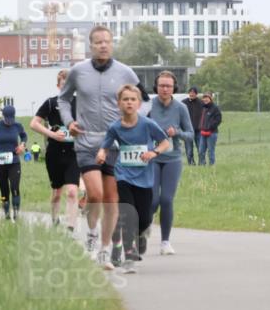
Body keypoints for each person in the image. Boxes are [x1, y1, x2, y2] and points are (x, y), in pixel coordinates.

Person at [58, 25, 141, 269]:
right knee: (95, 195)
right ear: (91, 46)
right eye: (98, 42)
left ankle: (105, 249)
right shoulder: (78, 71)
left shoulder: (125, 72)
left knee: (112, 200)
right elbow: (63, 99)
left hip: (116, 143)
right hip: (87, 141)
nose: (103, 45)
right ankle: (92, 235)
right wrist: (68, 122)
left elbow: (143, 101)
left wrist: (132, 122)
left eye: (107, 41)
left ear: (112, 43)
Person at [96, 85, 171, 272]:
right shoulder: (115, 127)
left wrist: (154, 153)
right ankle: (128, 258)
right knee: (128, 214)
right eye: (125, 99)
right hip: (123, 175)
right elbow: (105, 145)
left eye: (132, 99)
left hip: (144, 177)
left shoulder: (147, 124)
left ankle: (142, 234)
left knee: (144, 218)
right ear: (119, 103)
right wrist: (102, 154)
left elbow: (165, 142)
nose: (129, 102)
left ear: (138, 103)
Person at [148, 71, 194, 255]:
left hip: (172, 158)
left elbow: (191, 135)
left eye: (168, 86)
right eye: (161, 85)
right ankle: (145, 227)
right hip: (151, 157)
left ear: (174, 88)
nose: (165, 89)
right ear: (156, 87)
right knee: (152, 201)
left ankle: (165, 242)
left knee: (166, 200)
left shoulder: (180, 108)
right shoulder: (148, 106)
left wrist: (178, 133)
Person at [31, 69, 81, 232]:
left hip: (74, 152)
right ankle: (54, 219)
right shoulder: (51, 103)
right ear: (58, 86)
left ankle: (70, 227)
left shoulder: (80, 103)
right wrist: (52, 134)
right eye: (63, 85)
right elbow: (34, 123)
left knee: (72, 191)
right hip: (54, 153)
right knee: (57, 193)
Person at [197, 93, 222, 166]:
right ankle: (202, 165)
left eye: (207, 98)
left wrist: (210, 126)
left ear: (210, 99)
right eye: (204, 98)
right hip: (203, 132)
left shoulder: (215, 108)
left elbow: (218, 120)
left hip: (212, 133)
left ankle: (212, 166)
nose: (205, 99)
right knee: (201, 151)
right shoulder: (203, 108)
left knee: (210, 151)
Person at [182, 87, 204, 165]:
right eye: (190, 92)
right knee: (189, 149)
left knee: (200, 148)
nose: (191, 94)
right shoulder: (183, 103)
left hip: (198, 130)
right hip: (187, 130)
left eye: (193, 92)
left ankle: (202, 163)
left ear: (196, 94)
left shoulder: (201, 103)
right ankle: (191, 164)